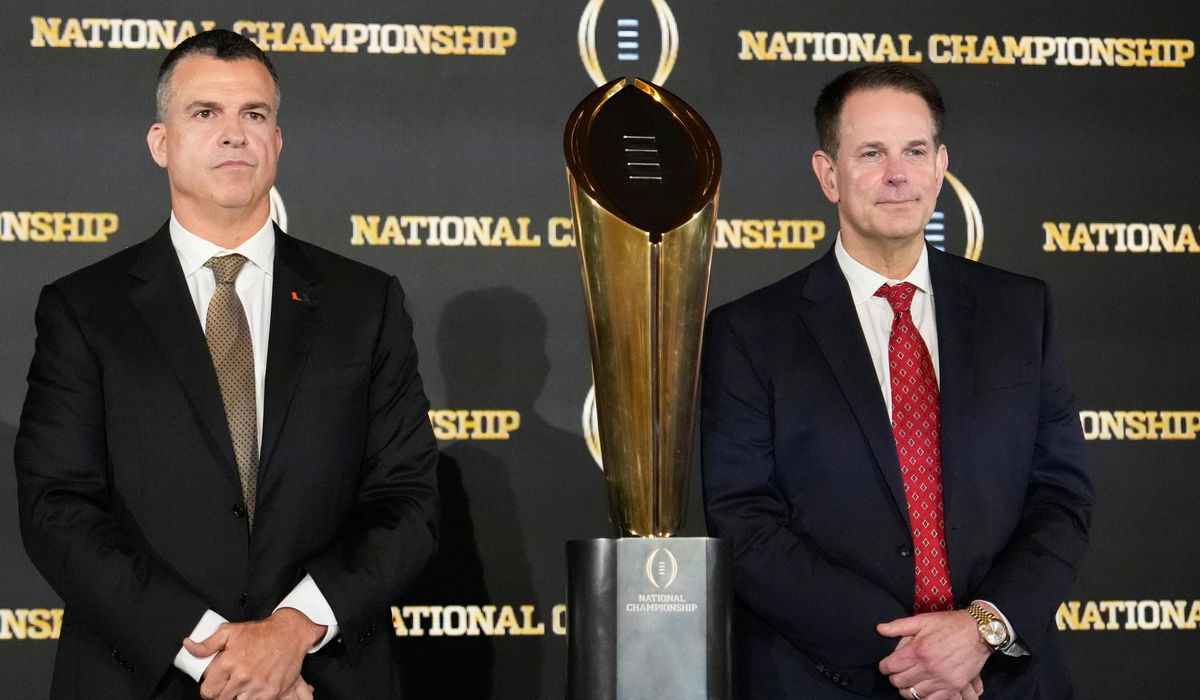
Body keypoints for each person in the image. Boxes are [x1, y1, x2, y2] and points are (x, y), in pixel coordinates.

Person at [15, 29, 438, 699]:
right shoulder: (84, 310)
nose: (234, 134)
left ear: (277, 141)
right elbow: (57, 508)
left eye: (255, 114)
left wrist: (292, 631)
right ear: (161, 143)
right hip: (146, 679)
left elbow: (408, 500)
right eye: (205, 112)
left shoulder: (365, 303)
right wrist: (216, 654)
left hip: (321, 678)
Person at [700, 64, 1094, 699]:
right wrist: (913, 655)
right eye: (871, 153)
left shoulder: (1021, 312)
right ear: (828, 175)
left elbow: (1061, 498)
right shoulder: (750, 332)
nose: (897, 175)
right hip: (830, 678)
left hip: (1003, 678)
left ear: (941, 166)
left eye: (914, 151)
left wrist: (979, 632)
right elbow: (744, 524)